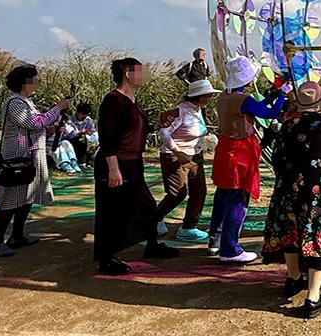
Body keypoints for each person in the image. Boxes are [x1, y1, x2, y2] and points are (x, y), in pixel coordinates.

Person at [262, 81, 321, 319]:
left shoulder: (287, 126)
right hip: (319, 189)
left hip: (288, 186)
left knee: (291, 229)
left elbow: (277, 158)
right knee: (319, 233)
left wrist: (285, 179)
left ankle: (292, 278)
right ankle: (313, 297)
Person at [93, 57, 181, 275]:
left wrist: (158, 125)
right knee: (112, 210)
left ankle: (151, 246)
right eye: (140, 71)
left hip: (134, 162)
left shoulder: (132, 101)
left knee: (147, 206)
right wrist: (113, 169)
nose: (145, 75)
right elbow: (107, 137)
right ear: (128, 73)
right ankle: (106, 258)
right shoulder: (113, 100)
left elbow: (135, 130)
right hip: (116, 162)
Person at [0, 63, 72, 257]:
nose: (37, 84)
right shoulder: (15, 102)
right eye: (35, 81)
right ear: (24, 83)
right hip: (17, 159)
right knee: (11, 199)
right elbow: (34, 123)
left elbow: (37, 128)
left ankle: (17, 235)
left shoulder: (26, 102)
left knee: (26, 197)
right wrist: (58, 108)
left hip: (30, 157)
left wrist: (52, 130)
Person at [207, 55, 286, 264]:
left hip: (225, 150)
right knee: (237, 200)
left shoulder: (225, 96)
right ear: (247, 79)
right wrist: (282, 97)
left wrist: (269, 98)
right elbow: (270, 114)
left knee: (222, 197)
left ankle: (215, 241)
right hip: (239, 155)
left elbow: (251, 109)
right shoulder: (243, 100)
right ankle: (230, 249)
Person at [155, 78, 218, 242]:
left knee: (199, 191)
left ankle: (189, 226)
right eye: (207, 95)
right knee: (177, 193)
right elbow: (164, 133)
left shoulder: (198, 110)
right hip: (175, 156)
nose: (210, 98)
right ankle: (155, 217)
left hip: (195, 155)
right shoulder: (180, 111)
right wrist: (177, 151)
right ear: (198, 96)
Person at [68, 102, 97, 167]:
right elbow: (69, 135)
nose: (84, 117)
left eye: (86, 115)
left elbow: (92, 130)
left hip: (86, 140)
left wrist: (91, 132)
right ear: (78, 112)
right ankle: (81, 161)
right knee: (81, 139)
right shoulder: (70, 120)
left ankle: (89, 161)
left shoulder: (89, 120)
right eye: (83, 114)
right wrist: (81, 133)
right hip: (73, 141)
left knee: (94, 139)